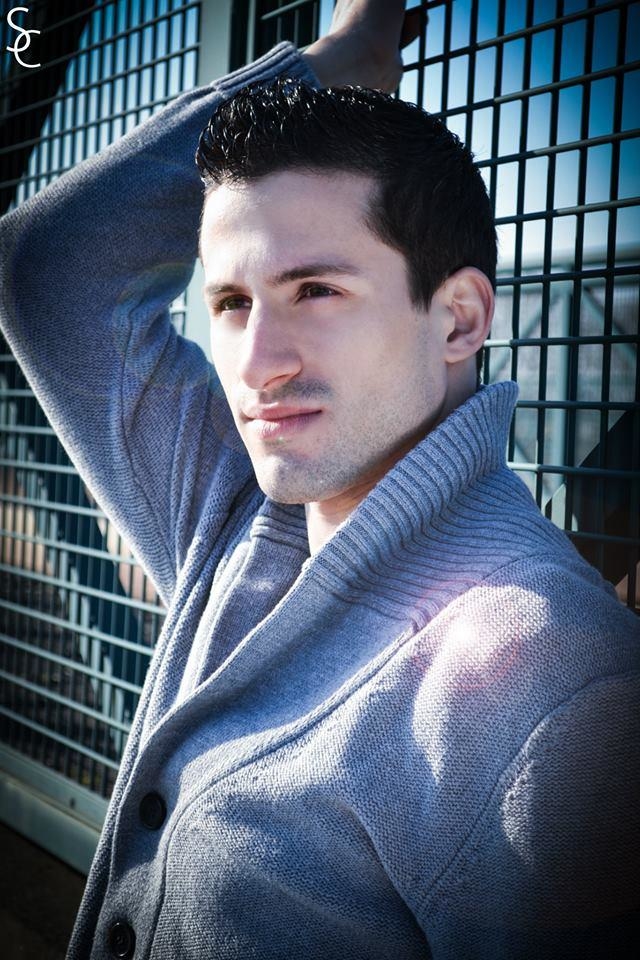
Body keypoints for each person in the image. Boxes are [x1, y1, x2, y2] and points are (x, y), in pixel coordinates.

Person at [0, 2, 638, 958]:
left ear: (460, 320)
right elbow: (49, 271)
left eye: (316, 290)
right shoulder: (238, 511)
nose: (258, 365)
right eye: (230, 301)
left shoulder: (553, 676)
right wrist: (335, 59)